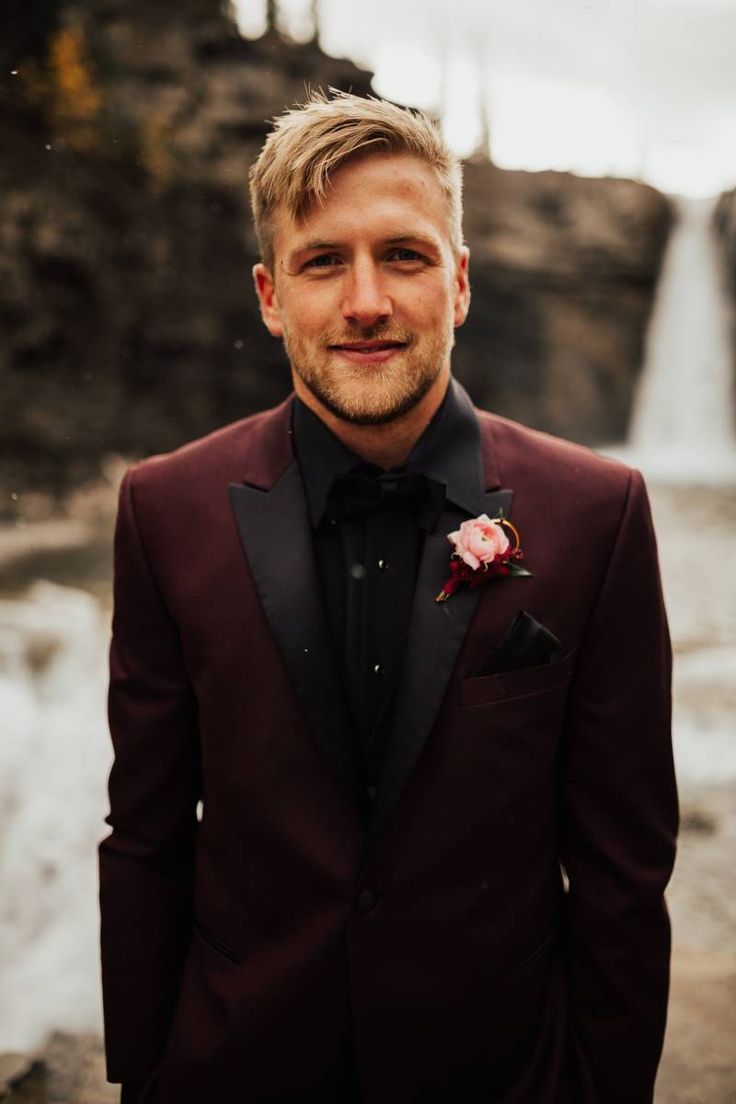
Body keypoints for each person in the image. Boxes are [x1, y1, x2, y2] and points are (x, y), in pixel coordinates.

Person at [99, 91, 678, 1104]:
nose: (365, 301)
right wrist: (144, 1077)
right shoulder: (162, 508)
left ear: (457, 283)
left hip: (508, 1078)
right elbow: (146, 840)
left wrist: (605, 1084)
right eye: (323, 261)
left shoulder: (600, 513)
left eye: (403, 256)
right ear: (271, 295)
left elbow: (625, 865)